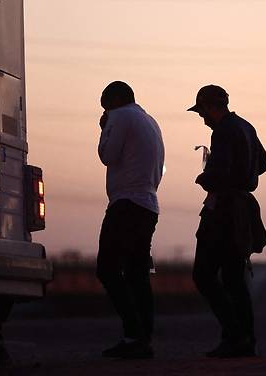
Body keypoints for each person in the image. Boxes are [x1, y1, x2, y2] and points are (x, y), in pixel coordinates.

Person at [188, 85, 266, 358]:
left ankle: (234, 335)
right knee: (234, 278)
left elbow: (218, 174)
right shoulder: (246, 127)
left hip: (223, 210)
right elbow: (264, 164)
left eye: (202, 112)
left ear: (211, 107)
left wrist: (204, 177)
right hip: (242, 210)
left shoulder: (222, 131)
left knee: (204, 275)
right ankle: (246, 339)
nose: (203, 118)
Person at [96, 81, 165, 359]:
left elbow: (107, 155)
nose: (104, 113)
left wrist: (104, 130)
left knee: (108, 269)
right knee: (137, 274)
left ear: (113, 101)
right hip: (148, 203)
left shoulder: (120, 116)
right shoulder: (149, 120)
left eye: (105, 108)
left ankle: (133, 334)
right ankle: (142, 337)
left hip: (126, 204)